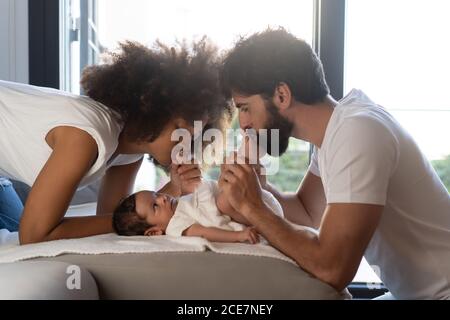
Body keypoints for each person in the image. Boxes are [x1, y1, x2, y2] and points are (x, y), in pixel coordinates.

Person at [218, 28, 450, 299]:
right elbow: (308, 212)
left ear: (281, 95)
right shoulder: (336, 133)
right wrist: (260, 190)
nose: (243, 123)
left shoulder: (357, 132)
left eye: (245, 108)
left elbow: (332, 269)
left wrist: (253, 206)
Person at [0, 38, 232, 245]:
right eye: (180, 128)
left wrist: (173, 190)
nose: (185, 143)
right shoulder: (88, 134)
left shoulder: (130, 152)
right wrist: (133, 222)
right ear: (152, 109)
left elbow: (112, 214)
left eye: (193, 136)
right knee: (19, 234)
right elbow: (33, 235)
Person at [112, 179, 283, 244]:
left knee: (227, 189)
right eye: (155, 206)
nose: (162, 198)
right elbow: (204, 233)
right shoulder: (175, 226)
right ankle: (263, 221)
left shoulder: (177, 205)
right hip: (247, 215)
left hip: (261, 202)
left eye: (156, 194)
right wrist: (238, 236)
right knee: (224, 202)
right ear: (154, 232)